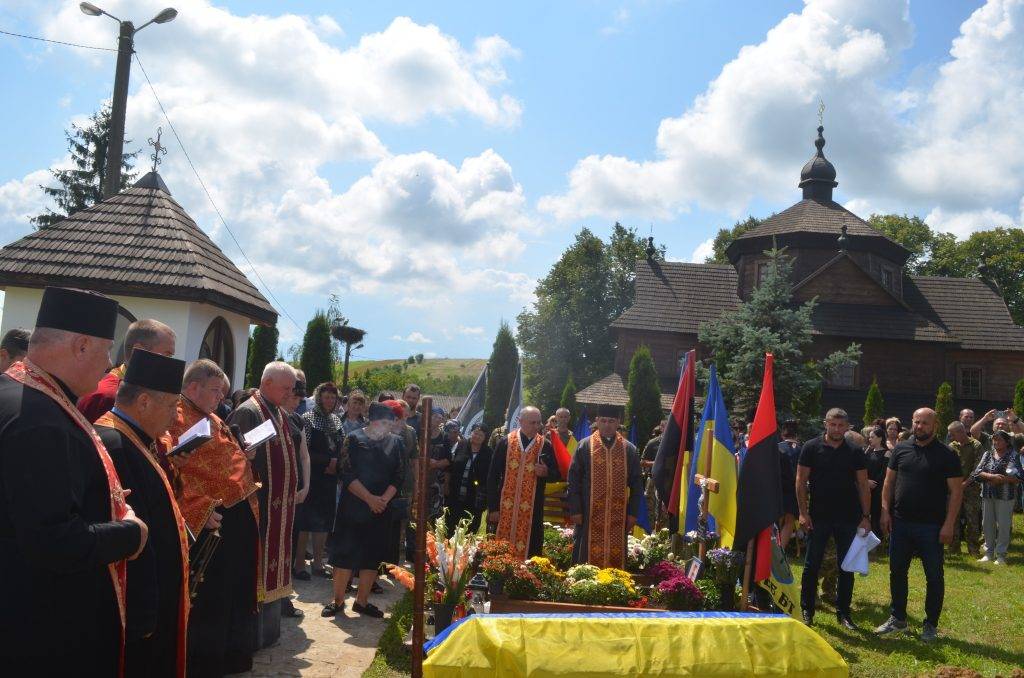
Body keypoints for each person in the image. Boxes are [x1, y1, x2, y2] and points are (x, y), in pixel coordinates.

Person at [0, 287, 148, 674]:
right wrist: (129, 533)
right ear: (81, 346)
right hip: (38, 628)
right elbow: (54, 541)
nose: (108, 366)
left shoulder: (17, 393)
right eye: (106, 352)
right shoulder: (39, 420)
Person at [94, 349, 189, 678]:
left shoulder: (134, 438)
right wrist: (144, 615)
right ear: (145, 401)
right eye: (172, 406)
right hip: (138, 615)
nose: (177, 417)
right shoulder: (115, 443)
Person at [171, 359, 260, 678]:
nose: (220, 398)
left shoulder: (212, 416)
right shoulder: (176, 417)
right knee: (211, 595)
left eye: (222, 392)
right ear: (192, 387)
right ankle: (204, 662)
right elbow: (172, 472)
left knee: (234, 589)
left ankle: (230, 655)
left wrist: (244, 453)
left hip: (236, 516)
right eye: (214, 391)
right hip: (209, 520)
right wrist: (200, 507)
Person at [226, 361, 299, 648]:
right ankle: (251, 637)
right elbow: (232, 459)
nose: (289, 393)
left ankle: (268, 634)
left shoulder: (277, 411)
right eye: (286, 387)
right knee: (255, 569)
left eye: (292, 388)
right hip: (258, 507)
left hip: (278, 508)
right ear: (267, 382)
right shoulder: (249, 411)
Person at [876, 408, 963, 642]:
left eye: (924, 423)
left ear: (935, 426)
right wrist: (885, 512)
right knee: (897, 572)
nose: (919, 426)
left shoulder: (947, 455)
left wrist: (949, 524)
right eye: (916, 422)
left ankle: (930, 625)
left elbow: (956, 492)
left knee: (934, 576)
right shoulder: (901, 450)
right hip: (901, 523)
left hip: (932, 527)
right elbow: (888, 483)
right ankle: (898, 619)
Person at [322, 403, 404, 619]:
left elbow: (399, 475)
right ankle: (337, 601)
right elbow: (345, 472)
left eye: (391, 423)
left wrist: (383, 500)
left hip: (381, 508)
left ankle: (362, 601)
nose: (388, 428)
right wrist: (369, 499)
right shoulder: (354, 439)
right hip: (354, 505)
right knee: (344, 554)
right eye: (385, 423)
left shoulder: (396, 443)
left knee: (372, 555)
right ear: (373, 421)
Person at [795, 407, 871, 629]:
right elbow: (800, 482)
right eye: (833, 424)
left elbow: (863, 485)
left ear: (847, 427)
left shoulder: (855, 451)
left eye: (841, 425)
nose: (837, 429)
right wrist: (802, 512)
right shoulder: (811, 447)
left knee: (846, 566)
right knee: (811, 565)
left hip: (848, 517)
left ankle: (844, 613)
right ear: (825, 424)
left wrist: (866, 516)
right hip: (818, 516)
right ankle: (807, 610)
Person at [567, 404, 643, 568]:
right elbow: (573, 480)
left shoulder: (629, 449)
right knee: (584, 554)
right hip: (588, 511)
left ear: (618, 423)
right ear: (597, 422)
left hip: (618, 513)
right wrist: (576, 509)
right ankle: (583, 585)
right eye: (603, 421)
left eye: (611, 421)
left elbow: (637, 484)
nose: (607, 425)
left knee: (615, 557)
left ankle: (613, 585)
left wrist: (632, 513)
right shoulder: (584, 446)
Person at [487, 406, 560, 559]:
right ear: (520, 421)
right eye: (532, 423)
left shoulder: (545, 445)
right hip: (504, 508)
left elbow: (557, 474)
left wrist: (546, 472)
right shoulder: (505, 442)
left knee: (530, 551)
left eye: (538, 423)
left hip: (531, 510)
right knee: (498, 551)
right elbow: (492, 476)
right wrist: (493, 508)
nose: (537, 426)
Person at [77, 318, 176, 423]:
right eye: (166, 355)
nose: (170, 363)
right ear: (138, 351)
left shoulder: (150, 391)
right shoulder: (107, 397)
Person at [296, 382, 343, 580]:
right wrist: (328, 460)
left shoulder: (337, 421)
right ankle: (299, 565)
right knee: (305, 521)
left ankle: (317, 563)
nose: (330, 401)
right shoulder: (307, 419)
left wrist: (337, 464)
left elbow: (342, 448)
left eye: (333, 397)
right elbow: (303, 451)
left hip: (329, 479)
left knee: (324, 521)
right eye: (326, 397)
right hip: (311, 476)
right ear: (319, 398)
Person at [278, 380, 310, 617]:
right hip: (278, 493)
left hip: (297, 492)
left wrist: (306, 485)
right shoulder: (270, 417)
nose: (297, 403)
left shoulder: (297, 420)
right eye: (294, 398)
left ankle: (285, 593)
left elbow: (304, 456)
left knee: (290, 542)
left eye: (299, 399)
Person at [972, 430, 1020, 565]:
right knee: (987, 524)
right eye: (994, 439)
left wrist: (1004, 480)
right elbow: (977, 473)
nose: (996, 442)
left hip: (1005, 496)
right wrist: (991, 477)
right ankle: (988, 553)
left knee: (1004, 525)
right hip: (987, 494)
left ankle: (1001, 555)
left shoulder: (1013, 455)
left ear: (1006, 442)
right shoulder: (987, 454)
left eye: (999, 440)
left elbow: (1020, 477)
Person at [946, 421, 983, 557]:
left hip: (971, 489)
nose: (950, 436)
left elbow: (978, 468)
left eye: (952, 433)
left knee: (972, 519)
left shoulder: (976, 445)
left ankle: (973, 549)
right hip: (953, 489)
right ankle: (953, 548)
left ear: (961, 432)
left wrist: (965, 484)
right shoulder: (952, 446)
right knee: (953, 518)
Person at [447, 424, 492, 532]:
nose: (477, 436)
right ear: (471, 433)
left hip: (475, 497)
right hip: (455, 494)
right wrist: (446, 486)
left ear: (485, 438)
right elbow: (450, 466)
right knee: (451, 526)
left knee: (470, 528)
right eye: (475, 433)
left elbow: (490, 476)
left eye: (481, 435)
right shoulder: (461, 445)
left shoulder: (489, 453)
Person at [778, 419, 801, 549]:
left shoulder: (776, 447)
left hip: (778, 489)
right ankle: (781, 550)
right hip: (794, 491)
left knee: (776, 522)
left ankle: (773, 550)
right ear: (796, 435)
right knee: (789, 521)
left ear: (783, 434)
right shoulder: (802, 449)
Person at [864, 426, 889, 539]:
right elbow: (863, 469)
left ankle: (879, 538)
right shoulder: (869, 452)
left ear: (880, 438)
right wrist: (866, 481)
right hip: (867, 487)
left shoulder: (887, 453)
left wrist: (875, 483)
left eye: (872, 437)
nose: (870, 439)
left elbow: (884, 472)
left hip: (879, 489)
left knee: (877, 514)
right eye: (869, 437)